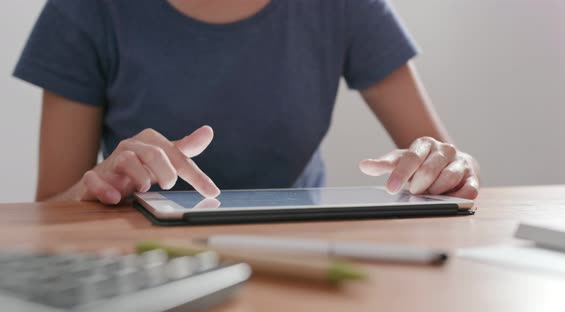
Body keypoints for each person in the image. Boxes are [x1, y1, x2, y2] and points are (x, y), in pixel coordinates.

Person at [14, 0, 480, 205]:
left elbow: (450, 170)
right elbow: (51, 209)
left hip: (304, 254)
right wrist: (97, 188)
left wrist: (442, 168)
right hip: (139, 263)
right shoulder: (83, 10)